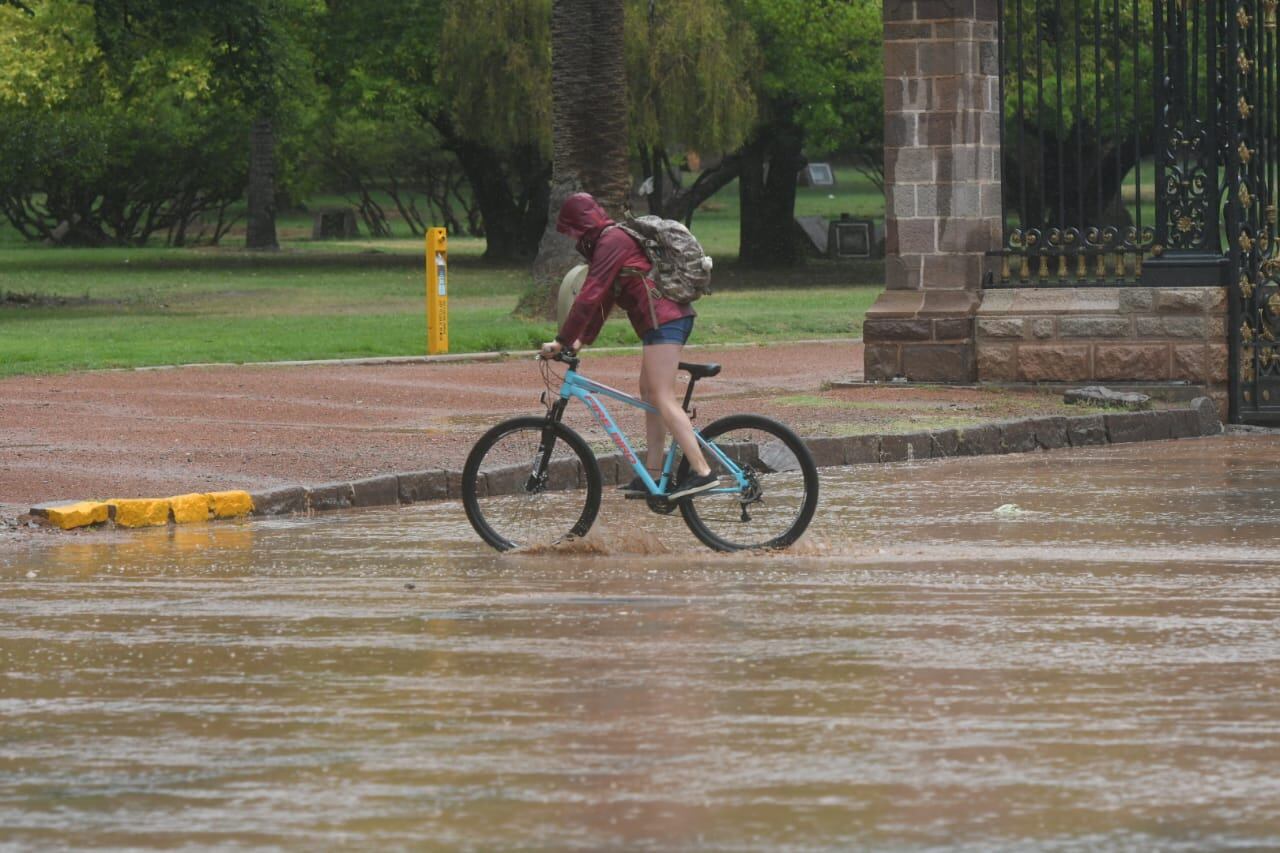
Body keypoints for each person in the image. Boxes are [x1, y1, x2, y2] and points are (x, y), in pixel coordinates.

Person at [540, 192, 717, 500]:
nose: (574, 238)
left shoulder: (612, 240)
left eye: (574, 231)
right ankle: (650, 475)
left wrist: (562, 339)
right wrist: (581, 340)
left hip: (667, 321)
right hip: (658, 323)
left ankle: (703, 472)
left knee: (662, 396)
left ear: (583, 225)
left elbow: (590, 294)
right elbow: (605, 299)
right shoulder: (610, 243)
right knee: (650, 395)